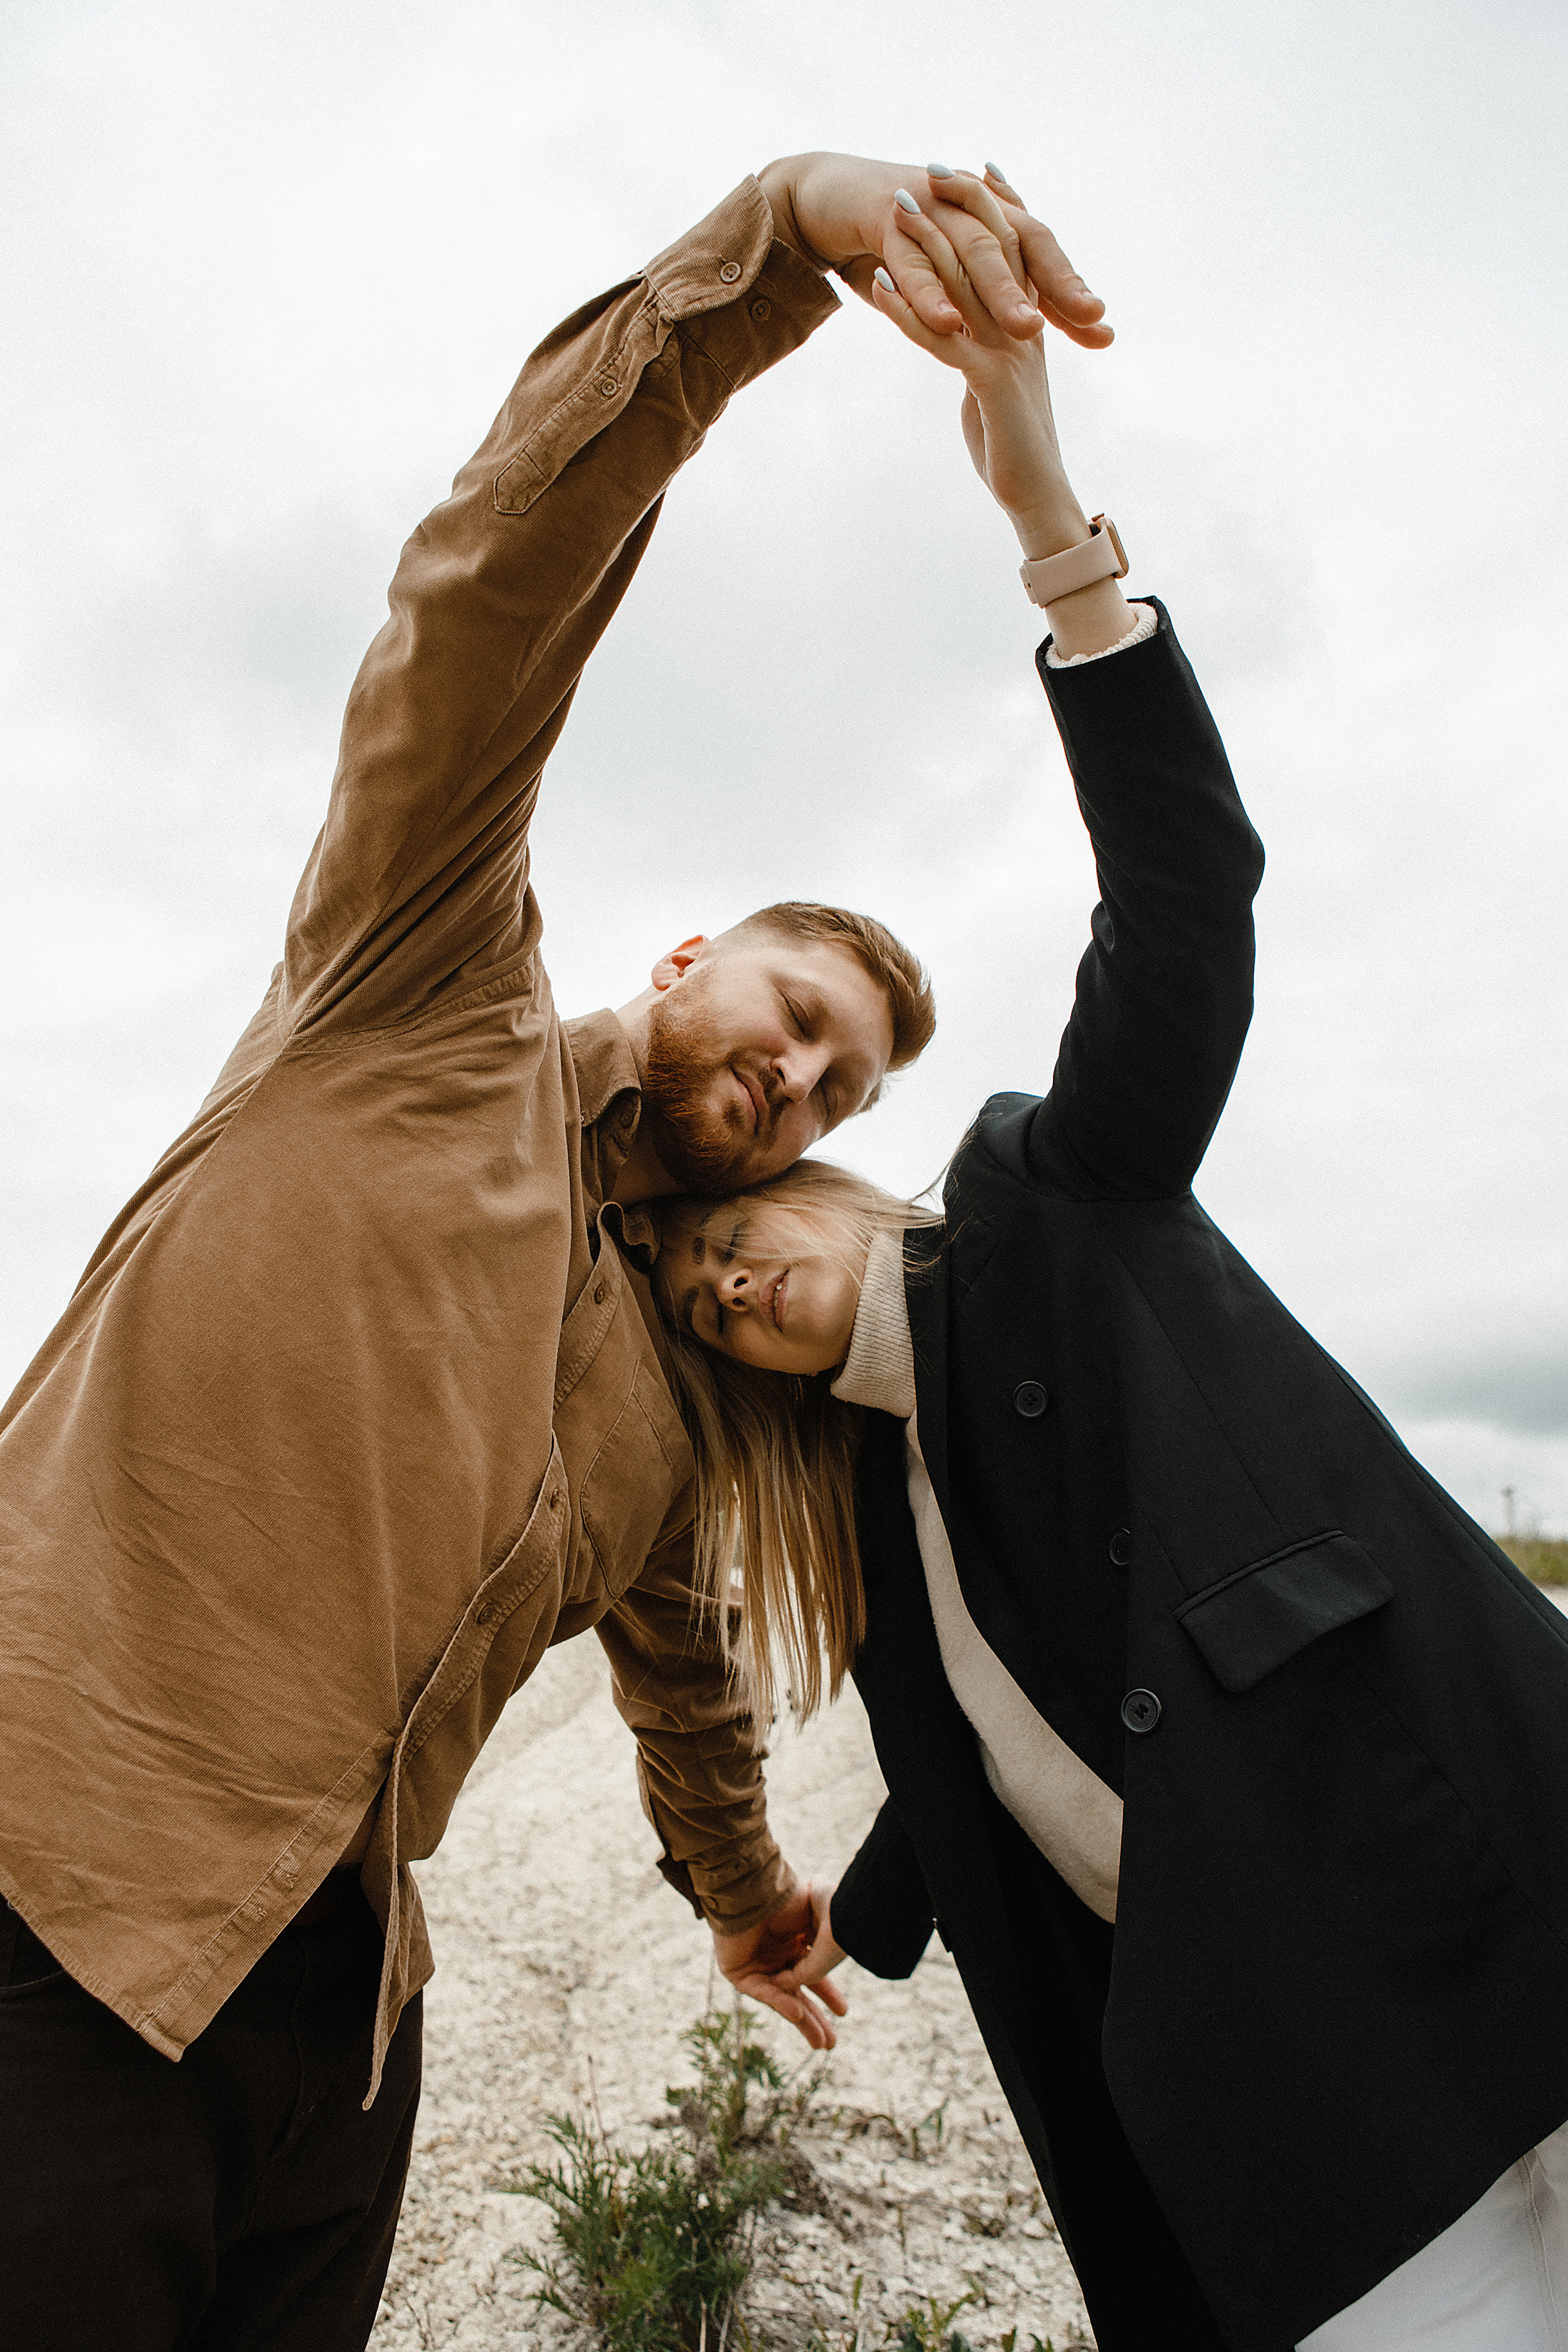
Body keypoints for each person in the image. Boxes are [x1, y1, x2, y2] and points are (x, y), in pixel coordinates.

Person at [0, 154, 1113, 2346]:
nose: (801, 1085)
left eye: (842, 1091)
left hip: (342, 2019)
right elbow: (489, 586)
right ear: (694, 959)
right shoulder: (419, 996)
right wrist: (777, 240)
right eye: (797, 1018)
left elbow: (685, 1662)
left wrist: (749, 1895)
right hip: (50, 1890)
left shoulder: (671, 1387)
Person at [652, 168, 1568, 2352]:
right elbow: (983, 1743)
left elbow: (1183, 907)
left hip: (1482, 1900)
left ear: (857, 1181)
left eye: (826, 1092)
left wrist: (1055, 533)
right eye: (694, 1285)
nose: (723, 1274)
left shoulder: (1062, 1210)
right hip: (1275, 2084)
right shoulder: (872, 1504)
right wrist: (799, 1917)